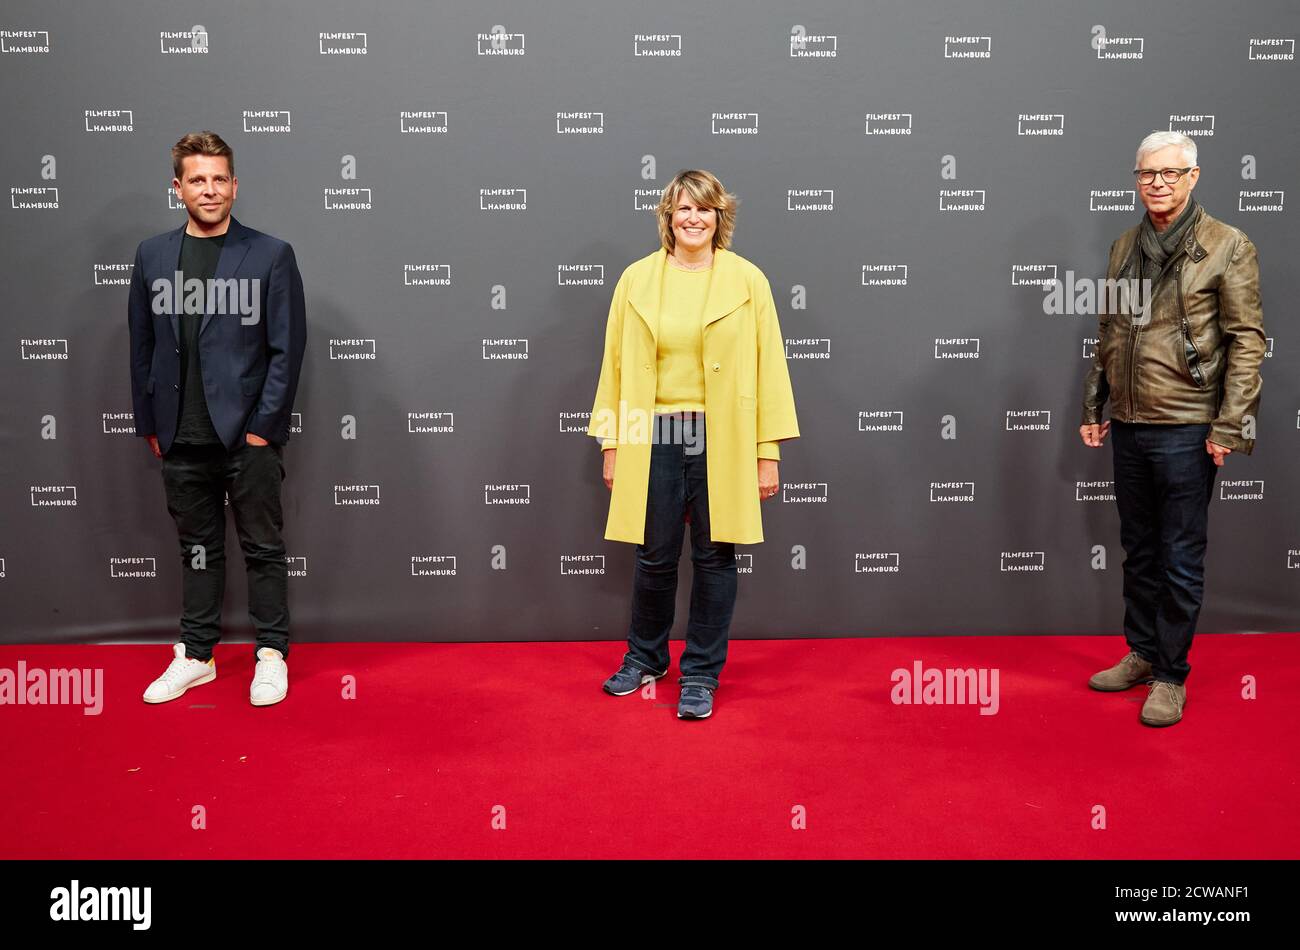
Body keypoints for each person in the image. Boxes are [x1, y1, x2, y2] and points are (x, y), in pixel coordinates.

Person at [588, 169, 799, 719]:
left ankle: (701, 674)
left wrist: (767, 452)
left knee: (714, 558)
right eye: (683, 208)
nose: (693, 218)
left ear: (719, 217)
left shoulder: (749, 281)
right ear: (668, 216)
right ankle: (645, 658)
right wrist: (613, 440)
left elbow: (770, 369)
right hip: (652, 434)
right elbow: (614, 367)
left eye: (704, 209)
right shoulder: (635, 280)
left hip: (722, 437)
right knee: (653, 557)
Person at [1081, 131, 1265, 726]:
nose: (1157, 182)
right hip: (1131, 422)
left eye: (1169, 172)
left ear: (1194, 176)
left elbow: (1246, 343)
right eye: (1146, 173)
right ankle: (1140, 651)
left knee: (1180, 556)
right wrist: (1095, 405)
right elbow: (1110, 330)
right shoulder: (1124, 246)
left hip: (1189, 424)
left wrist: (1229, 425)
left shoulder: (1228, 245)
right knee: (1139, 551)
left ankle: (1170, 675)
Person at [129, 131, 307, 706]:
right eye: (197, 180)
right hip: (181, 434)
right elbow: (142, 346)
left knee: (263, 548)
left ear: (235, 185)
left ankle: (271, 654)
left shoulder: (270, 254)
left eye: (219, 178)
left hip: (246, 436)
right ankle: (197, 655)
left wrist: (263, 428)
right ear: (177, 188)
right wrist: (151, 423)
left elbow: (287, 349)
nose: (210, 189)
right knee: (197, 549)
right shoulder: (152, 255)